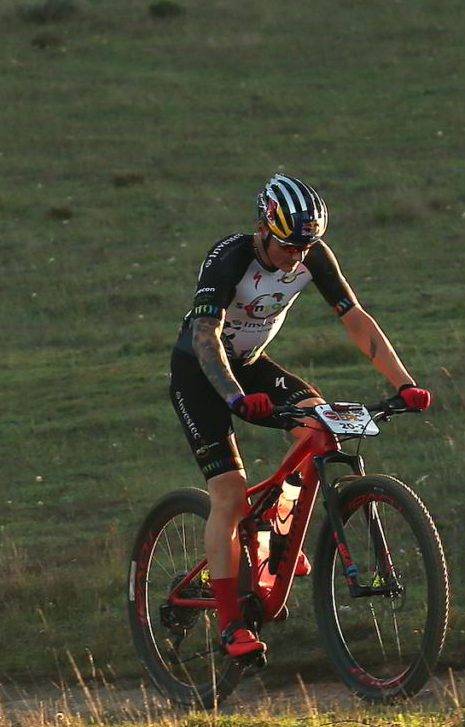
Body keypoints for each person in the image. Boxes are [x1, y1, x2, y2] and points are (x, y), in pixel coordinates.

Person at [170, 174, 430, 660]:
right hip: (202, 373)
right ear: (265, 228)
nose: (297, 256)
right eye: (288, 245)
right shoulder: (229, 257)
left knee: (321, 424)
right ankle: (230, 626)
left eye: (306, 246)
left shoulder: (311, 254)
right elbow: (205, 336)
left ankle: (269, 536)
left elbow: (355, 318)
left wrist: (404, 382)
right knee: (227, 490)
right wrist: (233, 398)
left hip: (250, 365)